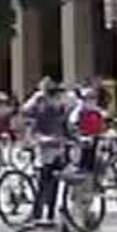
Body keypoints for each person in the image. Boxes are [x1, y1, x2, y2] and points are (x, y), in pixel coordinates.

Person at [20, 76, 74, 221]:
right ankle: (40, 212)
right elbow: (26, 113)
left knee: (51, 180)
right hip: (46, 143)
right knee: (46, 180)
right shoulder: (41, 101)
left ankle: (46, 213)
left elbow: (65, 124)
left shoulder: (57, 103)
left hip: (54, 143)